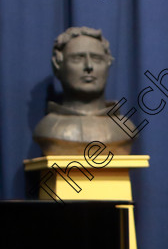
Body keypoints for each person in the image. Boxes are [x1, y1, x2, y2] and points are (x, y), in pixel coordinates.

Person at [33, 26, 134, 155]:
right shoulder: (48, 129)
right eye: (78, 58)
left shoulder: (125, 129)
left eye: (97, 59)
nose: (89, 66)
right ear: (57, 66)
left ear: (108, 65)